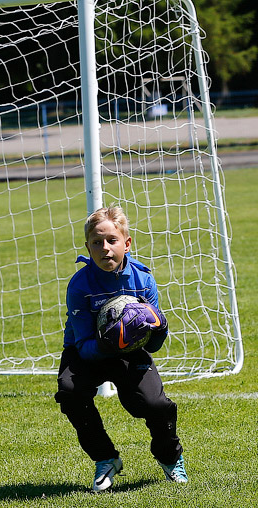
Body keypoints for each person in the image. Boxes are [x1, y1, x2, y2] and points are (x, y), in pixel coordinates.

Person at [56, 205, 187, 492]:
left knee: (155, 405)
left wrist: (159, 327)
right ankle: (105, 459)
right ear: (88, 247)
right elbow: (83, 344)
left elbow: (154, 344)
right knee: (70, 392)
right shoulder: (79, 286)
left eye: (112, 240)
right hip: (86, 351)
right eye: (96, 243)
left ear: (126, 243)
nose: (105, 248)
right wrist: (109, 341)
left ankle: (170, 459)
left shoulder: (143, 280)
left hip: (129, 352)